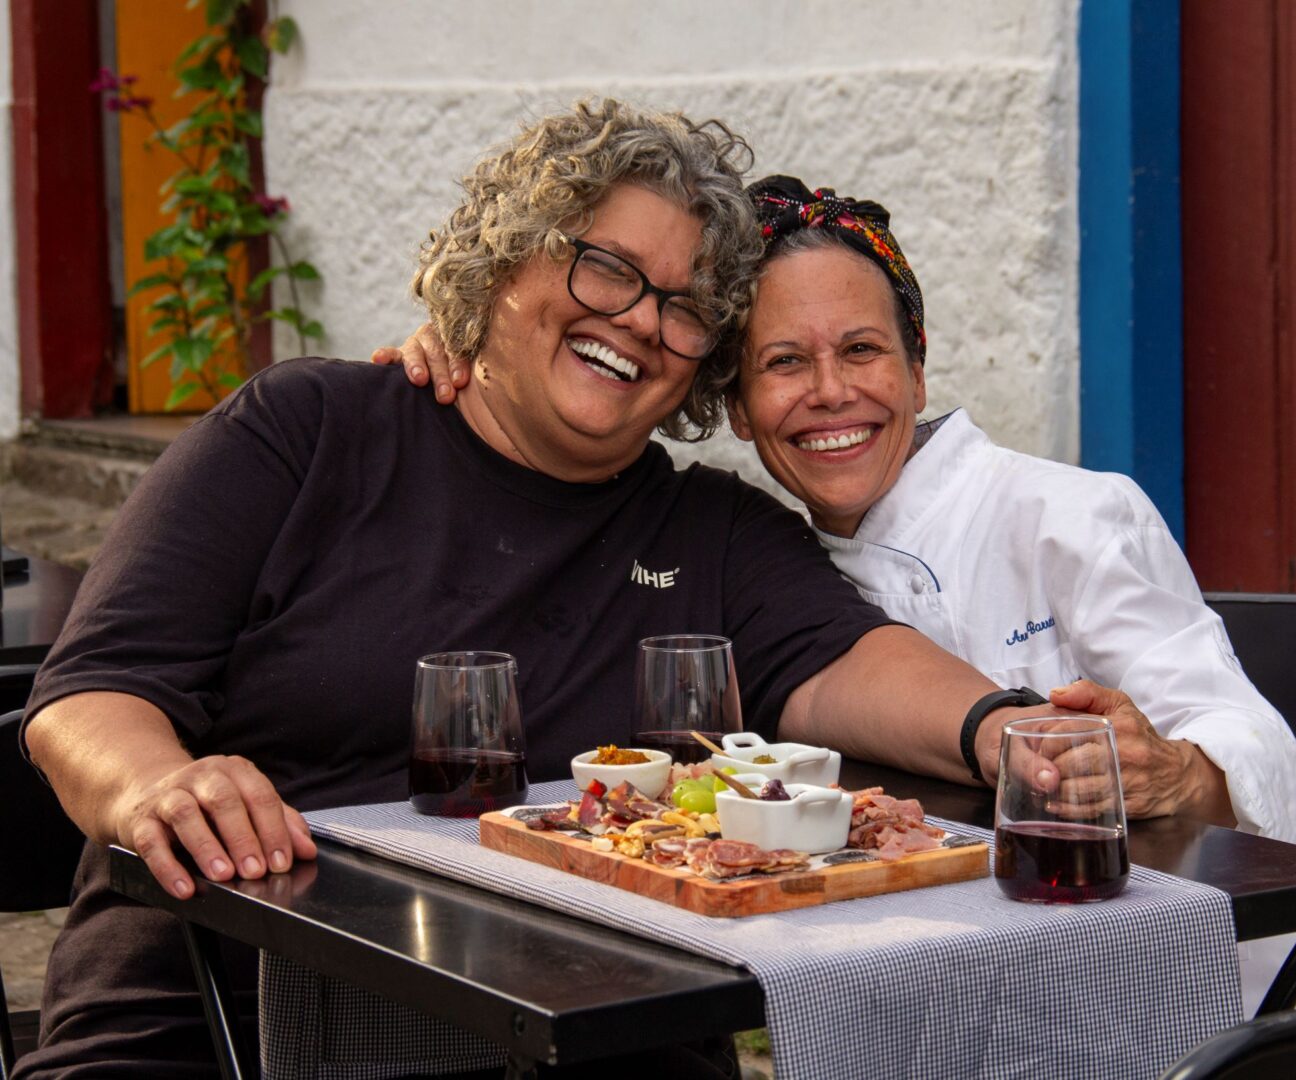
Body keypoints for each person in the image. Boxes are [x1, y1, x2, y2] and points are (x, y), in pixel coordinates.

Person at [17, 104, 1077, 1080]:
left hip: (588, 1040)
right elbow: (92, 697)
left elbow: (847, 661)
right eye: (607, 269)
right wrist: (156, 785)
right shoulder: (306, 433)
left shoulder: (708, 530)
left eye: (685, 308)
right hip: (219, 1024)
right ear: (507, 260)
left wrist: (1010, 734)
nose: (640, 322)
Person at [385, 174, 1296, 1016]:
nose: (830, 393)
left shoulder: (1068, 514)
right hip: (950, 996)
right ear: (736, 409)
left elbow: (1255, 740)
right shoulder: (751, 561)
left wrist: (1182, 774)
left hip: (1230, 997)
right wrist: (458, 363)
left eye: (863, 351)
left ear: (918, 367)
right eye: (783, 363)